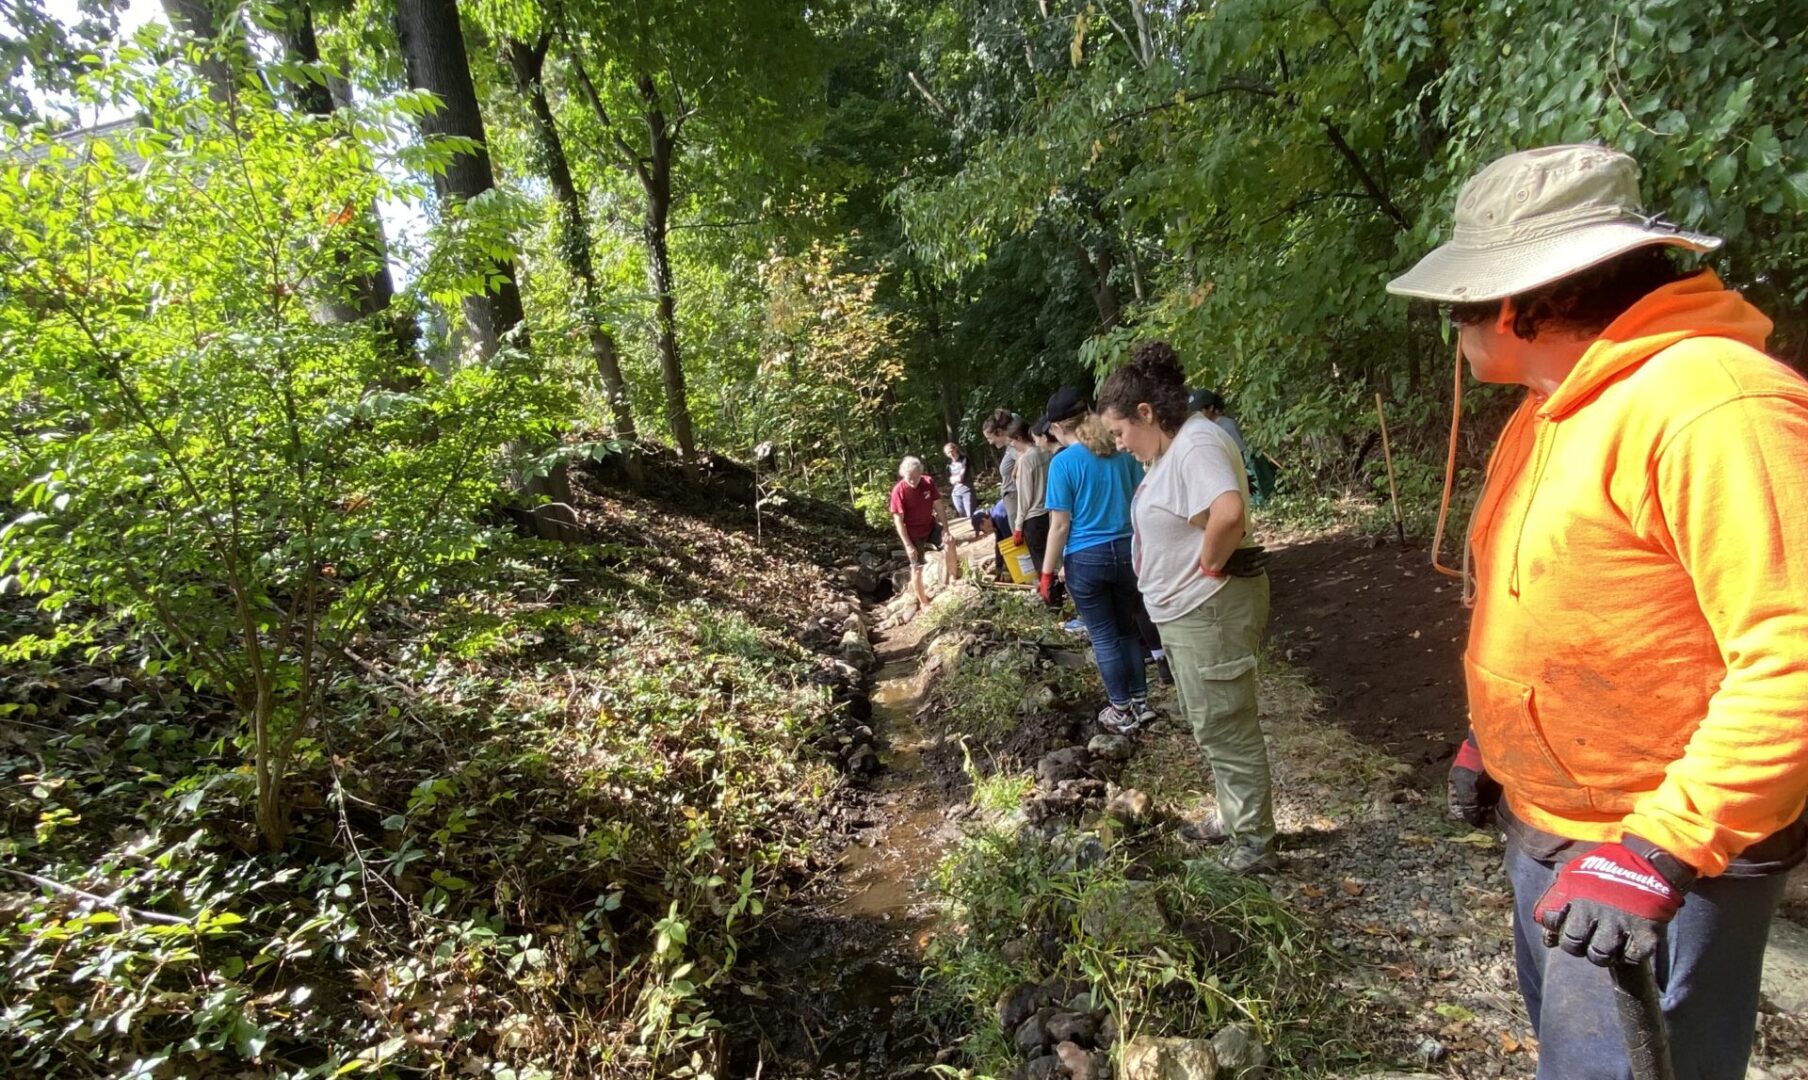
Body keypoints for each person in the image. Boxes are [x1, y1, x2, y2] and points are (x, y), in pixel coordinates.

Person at [1387, 144, 1808, 1080]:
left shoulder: (1715, 405)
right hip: (1558, 830)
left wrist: (1658, 850)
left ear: (1521, 300)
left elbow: (1793, 654)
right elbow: (1566, 601)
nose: (1450, 328)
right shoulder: (1554, 409)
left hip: (1656, 852)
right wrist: (1493, 739)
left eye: (1459, 304)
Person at [1102, 343, 1277, 874]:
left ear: (1147, 414)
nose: (1119, 444)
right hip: (1191, 613)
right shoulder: (1175, 450)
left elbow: (1227, 514)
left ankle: (1253, 844)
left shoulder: (1197, 443)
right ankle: (1234, 815)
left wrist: (1208, 566)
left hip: (1209, 610)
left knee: (1225, 725)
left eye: (1119, 432)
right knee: (1212, 722)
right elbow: (1198, 517)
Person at [1039, 387, 1156, 734]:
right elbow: (1141, 500)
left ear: (1058, 427)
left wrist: (1046, 573)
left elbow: (1060, 525)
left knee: (1103, 636)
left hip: (1086, 559)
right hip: (1126, 551)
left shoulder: (1062, 463)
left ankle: (1120, 709)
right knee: (1128, 631)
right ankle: (1141, 704)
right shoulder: (1120, 452)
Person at [889, 455, 959, 612]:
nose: (913, 481)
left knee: (950, 542)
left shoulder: (928, 482)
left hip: (930, 525)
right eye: (909, 478)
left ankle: (953, 578)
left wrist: (946, 530)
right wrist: (908, 545)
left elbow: (939, 506)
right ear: (903, 475)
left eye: (916, 477)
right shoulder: (898, 491)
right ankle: (923, 602)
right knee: (916, 567)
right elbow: (898, 521)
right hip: (913, 534)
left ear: (920, 473)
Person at [1007, 419, 1051, 571]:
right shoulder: (1045, 452)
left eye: (1011, 441)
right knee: (1053, 559)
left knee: (1041, 564)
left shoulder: (1027, 459)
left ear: (1018, 438)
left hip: (1033, 518)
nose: (1011, 445)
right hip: (1049, 513)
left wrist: (1018, 526)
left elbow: (1024, 497)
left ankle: (1049, 592)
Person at [944, 442, 974, 519]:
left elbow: (962, 477)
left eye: (951, 451)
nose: (951, 454)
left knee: (970, 514)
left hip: (967, 489)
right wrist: (955, 479)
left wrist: (955, 478)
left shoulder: (964, 458)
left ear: (955, 449)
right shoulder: (948, 464)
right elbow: (949, 480)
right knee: (961, 514)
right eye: (948, 453)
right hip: (956, 491)